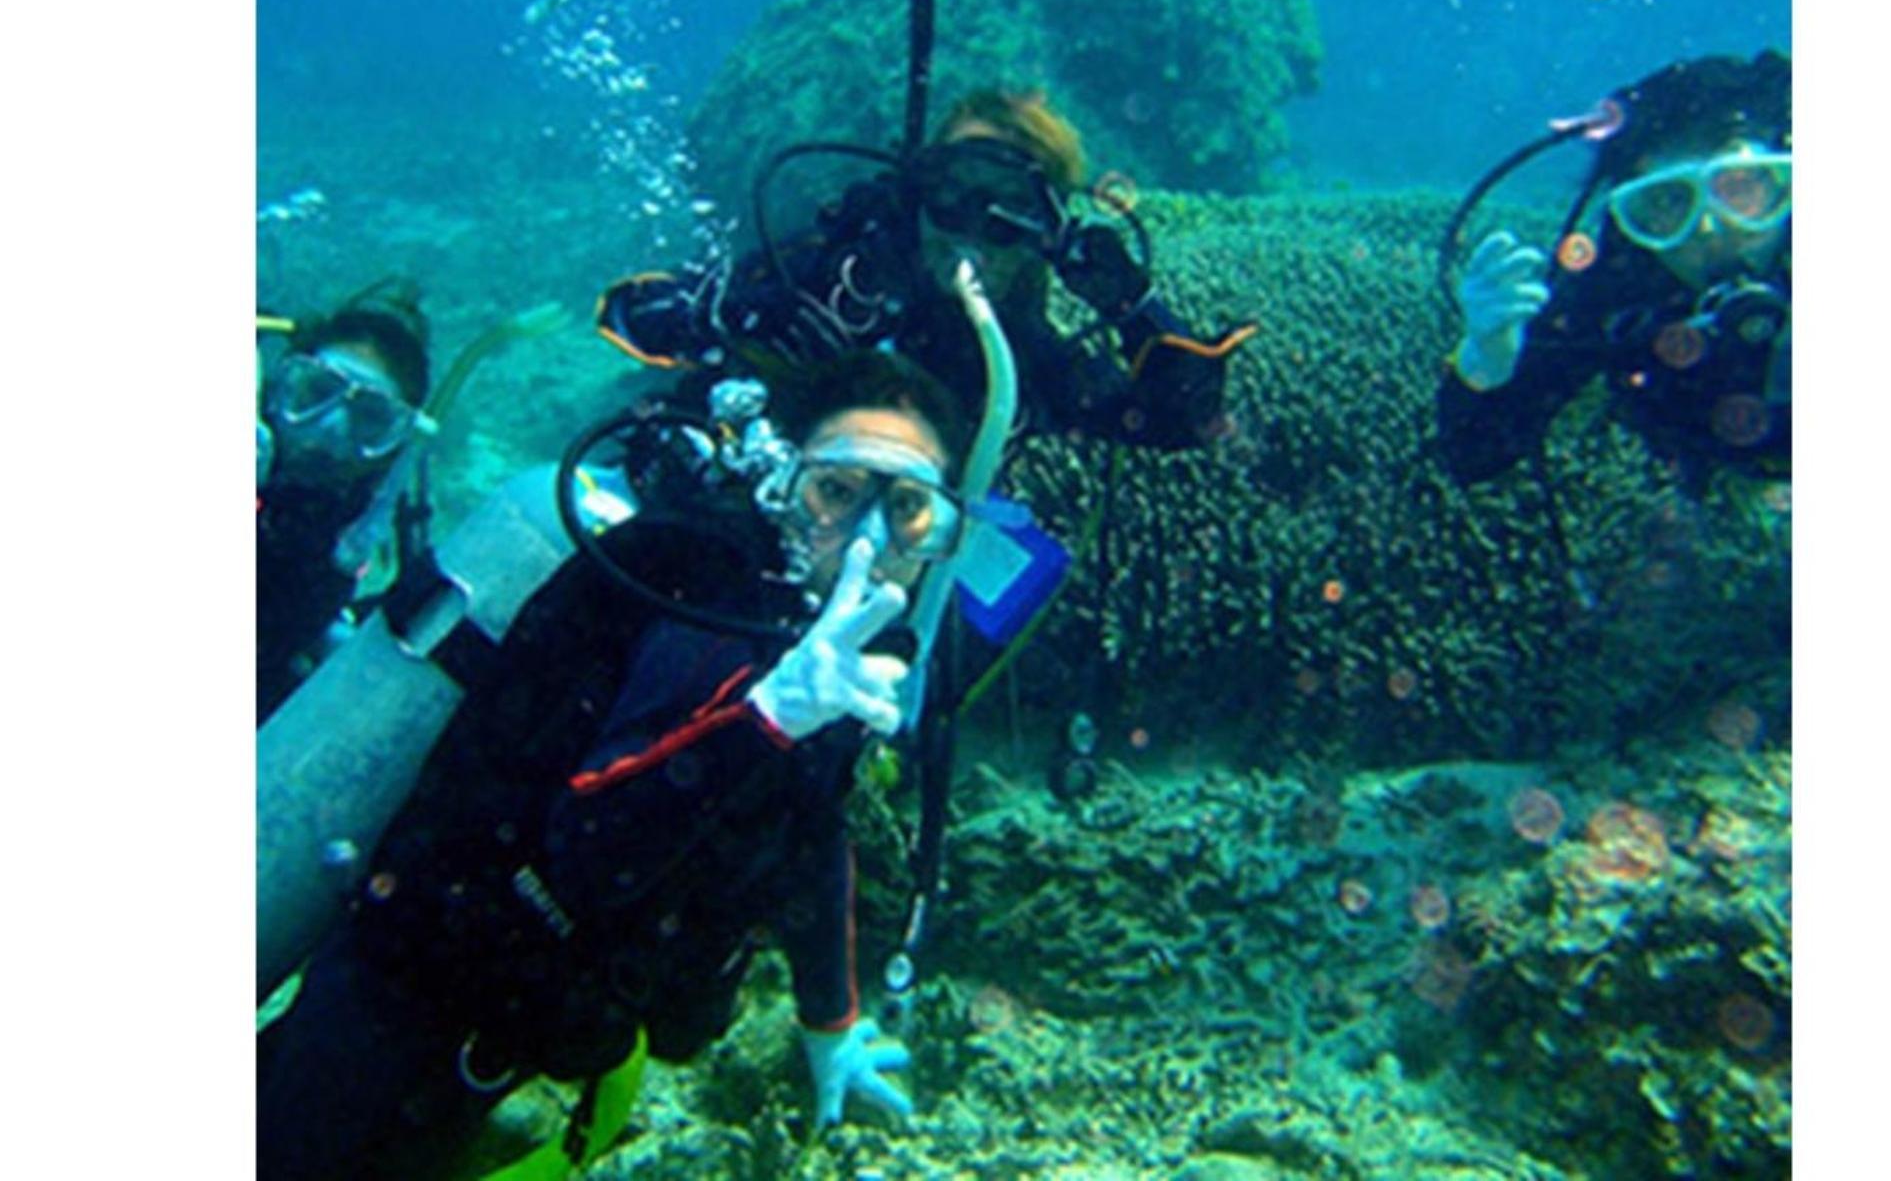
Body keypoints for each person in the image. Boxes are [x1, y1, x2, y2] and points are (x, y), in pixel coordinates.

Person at [257, 349, 970, 1181]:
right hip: (412, 993)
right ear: (784, 484)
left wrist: (831, 1025)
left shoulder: (824, 650)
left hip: (506, 1025)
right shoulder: (704, 600)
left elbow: (814, 829)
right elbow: (585, 852)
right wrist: (765, 720)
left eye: (908, 508)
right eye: (837, 492)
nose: (866, 541)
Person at [596, 87, 1256, 451]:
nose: (966, 228)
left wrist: (1131, 308)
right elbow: (636, 312)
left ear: (1046, 233)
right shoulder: (837, 273)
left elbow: (1183, 422)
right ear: (918, 187)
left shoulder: (1023, 360)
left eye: (1005, 208)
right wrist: (725, 317)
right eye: (952, 189)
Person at [1435, 51, 1791, 489]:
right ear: (1630, 217)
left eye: (1738, 188)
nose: (1708, 227)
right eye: (1668, 200)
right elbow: (1472, 458)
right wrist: (1483, 368)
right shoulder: (1620, 285)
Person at [257, 279, 433, 723]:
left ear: (395, 447)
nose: (330, 429)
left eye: (371, 418)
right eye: (314, 393)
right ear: (275, 387)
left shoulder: (356, 532)